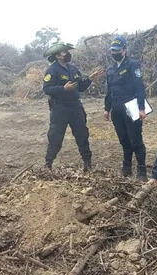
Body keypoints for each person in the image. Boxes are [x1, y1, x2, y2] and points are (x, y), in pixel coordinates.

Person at [42, 42, 103, 171]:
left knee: (82, 136)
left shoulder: (73, 68)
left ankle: (87, 163)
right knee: (55, 138)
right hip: (60, 109)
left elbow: (80, 87)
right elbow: (47, 89)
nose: (68, 54)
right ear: (58, 56)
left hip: (75, 108)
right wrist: (63, 89)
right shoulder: (51, 70)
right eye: (65, 52)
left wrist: (90, 79)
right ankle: (48, 164)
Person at [104, 36, 148, 181]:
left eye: (117, 50)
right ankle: (127, 166)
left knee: (135, 139)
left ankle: (141, 170)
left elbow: (140, 88)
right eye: (112, 50)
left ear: (124, 50)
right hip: (116, 108)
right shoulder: (110, 69)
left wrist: (141, 108)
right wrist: (107, 108)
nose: (114, 53)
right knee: (123, 139)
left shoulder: (132, 65)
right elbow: (109, 91)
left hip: (131, 106)